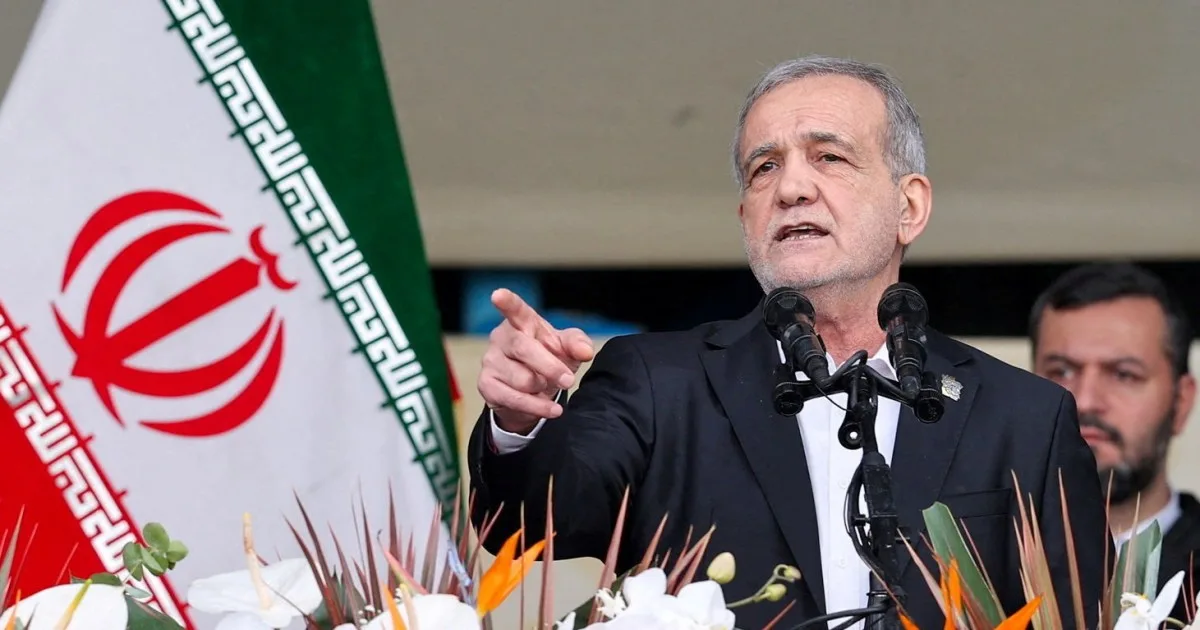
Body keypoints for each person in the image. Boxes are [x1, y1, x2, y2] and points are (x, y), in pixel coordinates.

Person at [468, 55, 1109, 629]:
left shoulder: (1026, 418)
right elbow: (533, 524)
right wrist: (521, 422)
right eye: (764, 167)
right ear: (745, 217)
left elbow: (1079, 613)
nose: (791, 188)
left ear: (909, 207)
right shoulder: (659, 382)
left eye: (829, 157)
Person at [1031, 262, 1200, 622]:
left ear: (1182, 401)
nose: (1085, 400)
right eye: (1061, 371)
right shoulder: (975, 561)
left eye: (1124, 374)